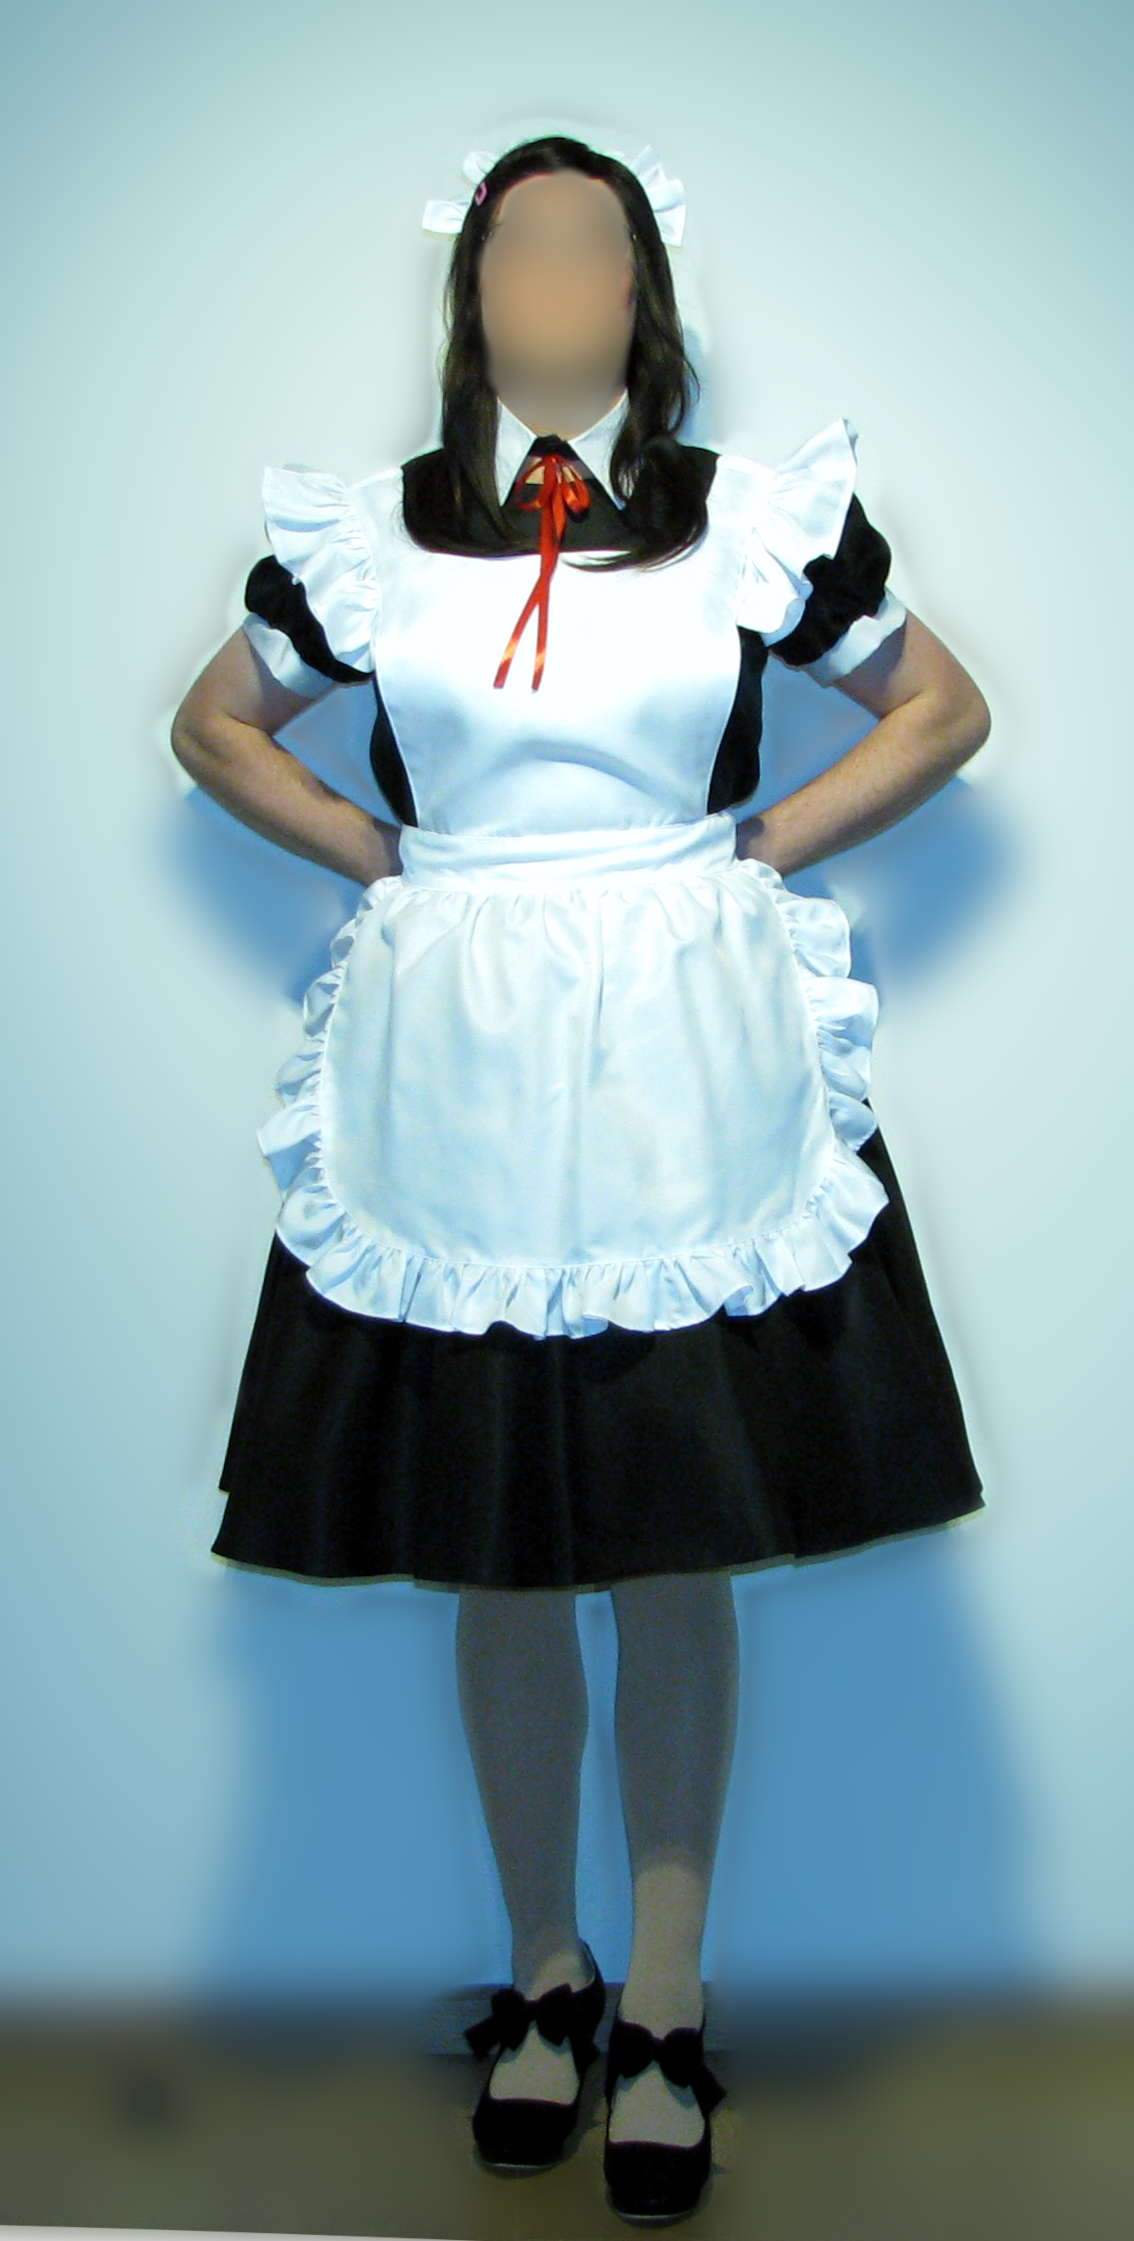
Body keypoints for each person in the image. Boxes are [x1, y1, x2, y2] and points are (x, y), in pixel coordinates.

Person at [171, 134, 990, 2224]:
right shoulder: (375, 536)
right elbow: (215, 726)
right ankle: (543, 1980)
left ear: (642, 292)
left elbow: (938, 707)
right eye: (517, 245)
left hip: (684, 1066)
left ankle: (669, 2009)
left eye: (590, 246)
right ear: (472, 292)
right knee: (504, 1547)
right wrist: (387, 858)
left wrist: (754, 851)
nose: (552, 278)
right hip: (453, 1071)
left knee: (671, 1536)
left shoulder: (748, 521)